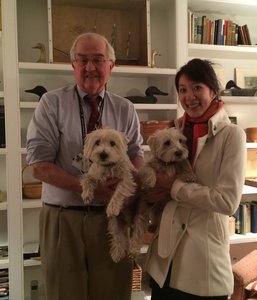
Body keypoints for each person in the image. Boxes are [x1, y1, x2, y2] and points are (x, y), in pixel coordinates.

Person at [26, 32, 144, 300]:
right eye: (83, 60)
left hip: (112, 218)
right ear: (73, 65)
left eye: (98, 60)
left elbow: (136, 154)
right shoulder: (51, 104)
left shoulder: (125, 109)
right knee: (63, 293)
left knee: (114, 291)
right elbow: (38, 165)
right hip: (63, 217)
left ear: (111, 66)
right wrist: (88, 188)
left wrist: (126, 187)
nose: (90, 67)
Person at [145, 58, 247, 300]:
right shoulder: (175, 130)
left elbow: (227, 202)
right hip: (165, 262)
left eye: (197, 87)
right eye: (182, 89)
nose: (189, 96)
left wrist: (174, 187)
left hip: (203, 264)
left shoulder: (232, 136)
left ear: (213, 90)